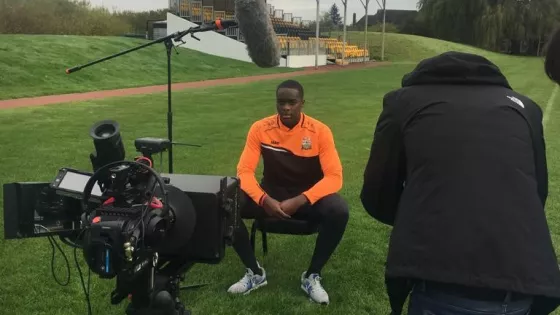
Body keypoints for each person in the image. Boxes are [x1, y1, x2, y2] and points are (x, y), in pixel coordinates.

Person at [360, 51, 560, 315]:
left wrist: (424, 217)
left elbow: (377, 194)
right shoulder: (525, 107)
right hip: (526, 281)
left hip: (440, 277)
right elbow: (537, 194)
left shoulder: (403, 102)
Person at [227, 79, 349, 305]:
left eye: (292, 102)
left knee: (339, 210)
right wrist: (263, 200)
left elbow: (335, 177)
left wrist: (301, 199)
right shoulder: (260, 128)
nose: (286, 108)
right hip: (270, 195)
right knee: (227, 202)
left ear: (302, 103)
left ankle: (312, 275)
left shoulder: (320, 131)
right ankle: (254, 272)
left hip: (306, 198)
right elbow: (244, 171)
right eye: (281, 103)